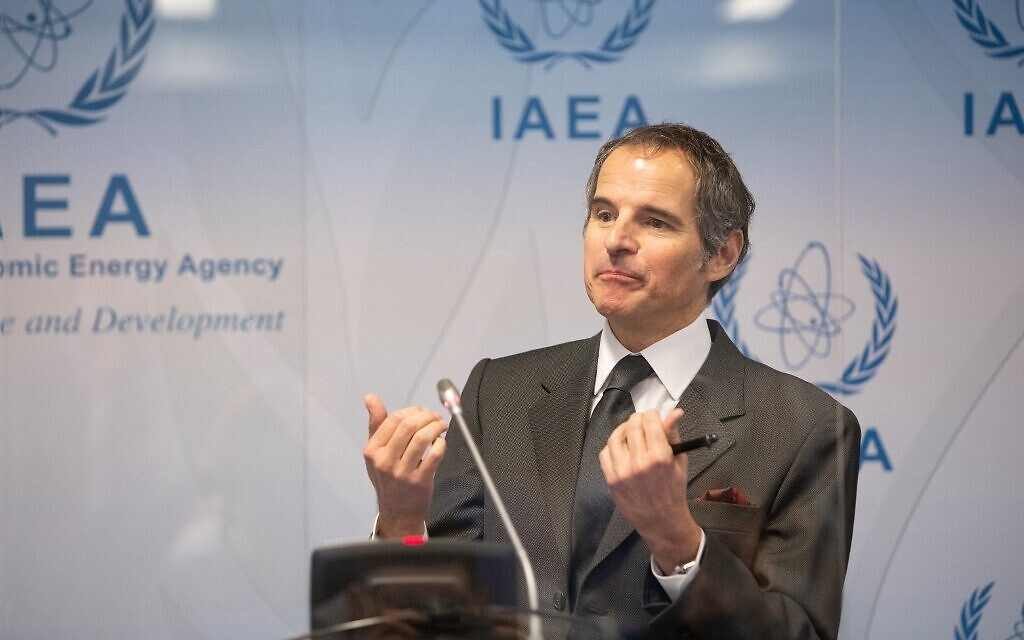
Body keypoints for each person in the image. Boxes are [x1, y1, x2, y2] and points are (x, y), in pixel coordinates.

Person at [362, 123, 860, 639]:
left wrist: (679, 543)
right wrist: (401, 525)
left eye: (656, 223)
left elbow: (799, 632)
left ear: (722, 255)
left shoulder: (807, 428)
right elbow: (439, 619)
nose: (617, 241)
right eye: (604, 214)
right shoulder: (499, 392)